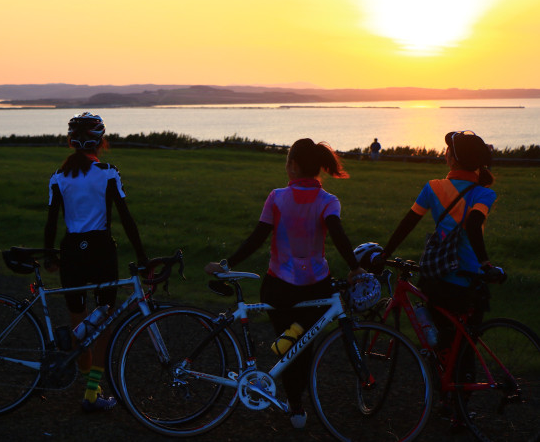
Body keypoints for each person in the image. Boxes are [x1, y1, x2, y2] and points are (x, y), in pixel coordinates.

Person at [204, 138, 365, 430]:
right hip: (316, 286)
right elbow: (339, 235)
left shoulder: (277, 197)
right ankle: (296, 400)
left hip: (278, 286)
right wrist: (355, 267)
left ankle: (294, 400)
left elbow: (257, 237)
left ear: (292, 166)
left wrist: (227, 264)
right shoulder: (328, 201)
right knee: (304, 346)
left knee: (291, 349)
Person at [380, 130, 503, 428]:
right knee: (466, 344)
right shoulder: (484, 193)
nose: (444, 153)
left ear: (453, 158)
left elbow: (409, 222)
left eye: (448, 150)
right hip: (470, 280)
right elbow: (474, 225)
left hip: (437, 278)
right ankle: (460, 409)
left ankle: (446, 400)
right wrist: (486, 263)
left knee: (439, 340)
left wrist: (384, 253)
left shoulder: (433, 187)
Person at [44, 111, 147, 413]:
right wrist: (142, 257)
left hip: (72, 253)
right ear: (101, 141)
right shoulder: (108, 172)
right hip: (101, 252)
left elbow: (51, 223)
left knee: (79, 322)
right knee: (103, 324)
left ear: (70, 142)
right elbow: (126, 219)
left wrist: (50, 255)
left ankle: (87, 382)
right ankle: (92, 392)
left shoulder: (59, 177)